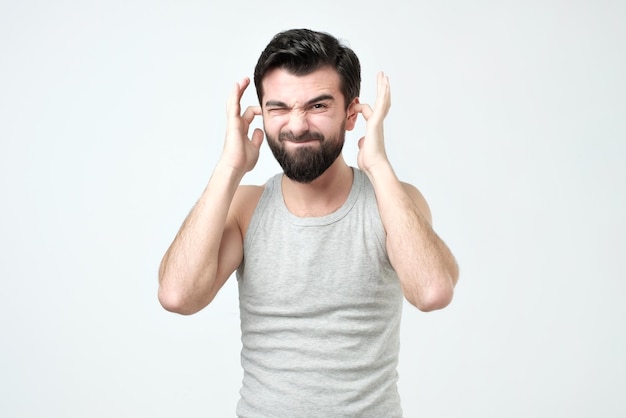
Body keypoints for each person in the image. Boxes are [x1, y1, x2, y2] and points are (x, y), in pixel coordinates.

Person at [158, 28, 459, 417]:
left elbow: (433, 291)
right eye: (278, 108)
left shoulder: (393, 201)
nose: (296, 126)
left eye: (318, 107)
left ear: (352, 114)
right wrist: (229, 167)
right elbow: (177, 296)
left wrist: (379, 165)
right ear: (260, 114)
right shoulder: (243, 208)